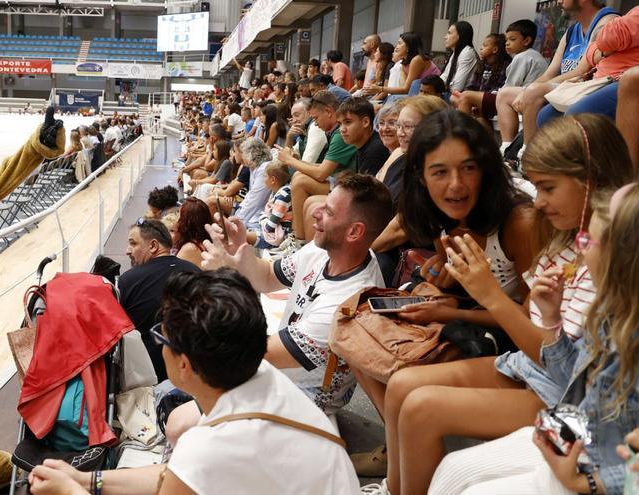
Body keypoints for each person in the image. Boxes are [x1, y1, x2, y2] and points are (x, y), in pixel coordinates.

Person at [360, 114, 635, 495]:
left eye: (548, 187)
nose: (538, 202)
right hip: (539, 372)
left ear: (594, 182)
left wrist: (485, 294)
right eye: (438, 172)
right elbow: (558, 345)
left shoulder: (600, 259)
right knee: (404, 386)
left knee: (426, 415)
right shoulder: (567, 239)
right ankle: (394, 486)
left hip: (565, 398)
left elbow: (578, 380)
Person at [30, 268, 360, 495]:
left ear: (184, 365)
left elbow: (189, 470)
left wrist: (69, 490)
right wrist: (88, 480)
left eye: (162, 337)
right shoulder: (264, 379)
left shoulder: (209, 448)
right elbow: (177, 477)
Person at [428, 184, 639, 495]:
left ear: (619, 256)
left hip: (593, 464)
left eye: (588, 240)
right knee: (452, 469)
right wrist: (552, 319)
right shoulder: (610, 308)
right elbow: (574, 384)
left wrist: (591, 482)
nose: (579, 249)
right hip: (574, 434)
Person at [201, 172, 393, 415]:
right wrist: (240, 249)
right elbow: (269, 276)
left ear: (354, 232)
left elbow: (258, 354)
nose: (315, 211)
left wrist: (225, 279)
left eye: (330, 212)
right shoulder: (325, 248)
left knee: (182, 416)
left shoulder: (348, 304)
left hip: (304, 399)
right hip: (279, 370)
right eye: (324, 202)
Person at [496, 0, 617, 157]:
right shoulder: (572, 31)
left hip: (585, 87)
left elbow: (582, 72)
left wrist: (533, 90)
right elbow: (549, 73)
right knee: (505, 95)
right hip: (566, 87)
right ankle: (506, 150)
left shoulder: (607, 22)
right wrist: (526, 91)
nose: (558, 1)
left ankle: (527, 155)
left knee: (534, 94)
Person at [118, 218, 199, 381]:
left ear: (153, 246)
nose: (127, 251)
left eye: (133, 243)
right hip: (193, 372)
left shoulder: (127, 280)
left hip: (146, 377)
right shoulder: (196, 272)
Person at [535, 6, 639, 128]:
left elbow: (607, 39)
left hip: (617, 79)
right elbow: (591, 53)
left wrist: (601, 47)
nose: (558, 1)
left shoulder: (609, 18)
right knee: (545, 116)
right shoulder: (572, 30)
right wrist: (601, 50)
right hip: (597, 80)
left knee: (576, 114)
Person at [277, 91, 356, 247]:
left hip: (348, 186)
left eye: (315, 118)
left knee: (300, 181)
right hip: (341, 181)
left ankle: (299, 242)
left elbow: (321, 173)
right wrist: (294, 160)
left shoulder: (340, 134)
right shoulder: (333, 132)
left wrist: (290, 160)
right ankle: (297, 238)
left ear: (328, 112)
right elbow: (322, 167)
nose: (315, 123)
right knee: (299, 176)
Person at [368, 32, 440, 100]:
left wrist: (380, 88)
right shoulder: (404, 62)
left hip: (433, 93)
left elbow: (406, 89)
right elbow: (403, 87)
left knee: (393, 99)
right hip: (420, 94)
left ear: (409, 47)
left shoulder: (417, 60)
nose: (396, 47)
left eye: (399, 43)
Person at [336, 97, 389, 176]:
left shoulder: (374, 152)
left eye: (348, 122)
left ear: (365, 122)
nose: (342, 129)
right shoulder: (365, 144)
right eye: (340, 124)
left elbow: (366, 188)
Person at [231, 138, 272, 230]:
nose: (241, 156)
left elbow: (255, 199)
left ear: (251, 154)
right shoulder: (254, 167)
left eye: (243, 153)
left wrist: (237, 220)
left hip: (260, 219)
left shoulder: (264, 169)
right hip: (252, 214)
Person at [253, 160, 293, 249]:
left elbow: (269, 227)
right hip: (274, 229)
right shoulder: (277, 192)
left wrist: (262, 219)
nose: (264, 179)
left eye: (265, 176)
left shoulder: (282, 197)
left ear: (273, 180)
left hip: (281, 235)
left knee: (245, 237)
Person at [173, 197, 213, 267]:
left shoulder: (191, 247)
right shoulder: (207, 242)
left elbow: (173, 273)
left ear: (185, 221)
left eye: (179, 215)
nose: (177, 219)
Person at [440, 21, 478, 93]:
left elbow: (457, 88)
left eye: (449, 33)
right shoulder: (456, 52)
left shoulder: (467, 53)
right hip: (450, 93)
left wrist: (439, 87)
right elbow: (445, 76)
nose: (445, 37)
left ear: (460, 35)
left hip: (459, 96)